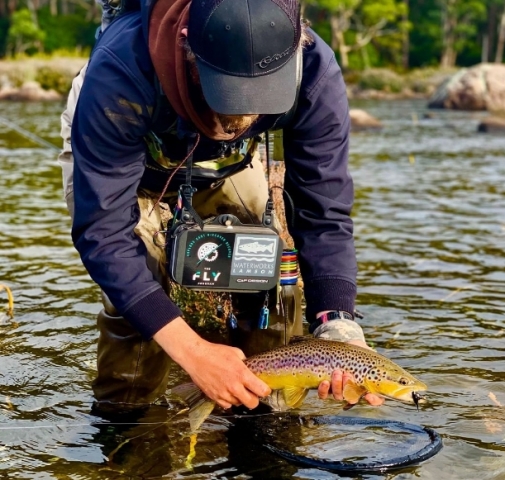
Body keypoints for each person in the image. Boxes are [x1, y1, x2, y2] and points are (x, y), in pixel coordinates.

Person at [57, 0, 384, 416]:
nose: (245, 115)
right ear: (187, 42)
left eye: (262, 94)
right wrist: (194, 353)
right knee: (141, 285)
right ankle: (125, 425)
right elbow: (103, 235)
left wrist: (339, 324)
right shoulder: (121, 71)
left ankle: (262, 411)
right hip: (127, 149)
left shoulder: (315, 71)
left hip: (226, 159)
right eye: (230, 93)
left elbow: (325, 210)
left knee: (269, 270)